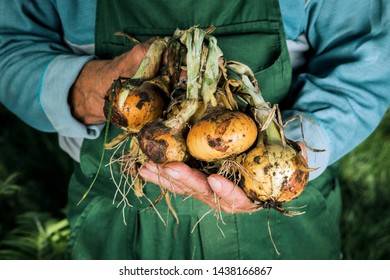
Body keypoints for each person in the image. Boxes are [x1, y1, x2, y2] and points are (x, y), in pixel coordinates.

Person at [0, 0, 389, 260]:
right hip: (115, 212)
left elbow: (368, 62)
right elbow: (10, 43)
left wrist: (297, 155)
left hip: (283, 214)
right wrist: (84, 89)